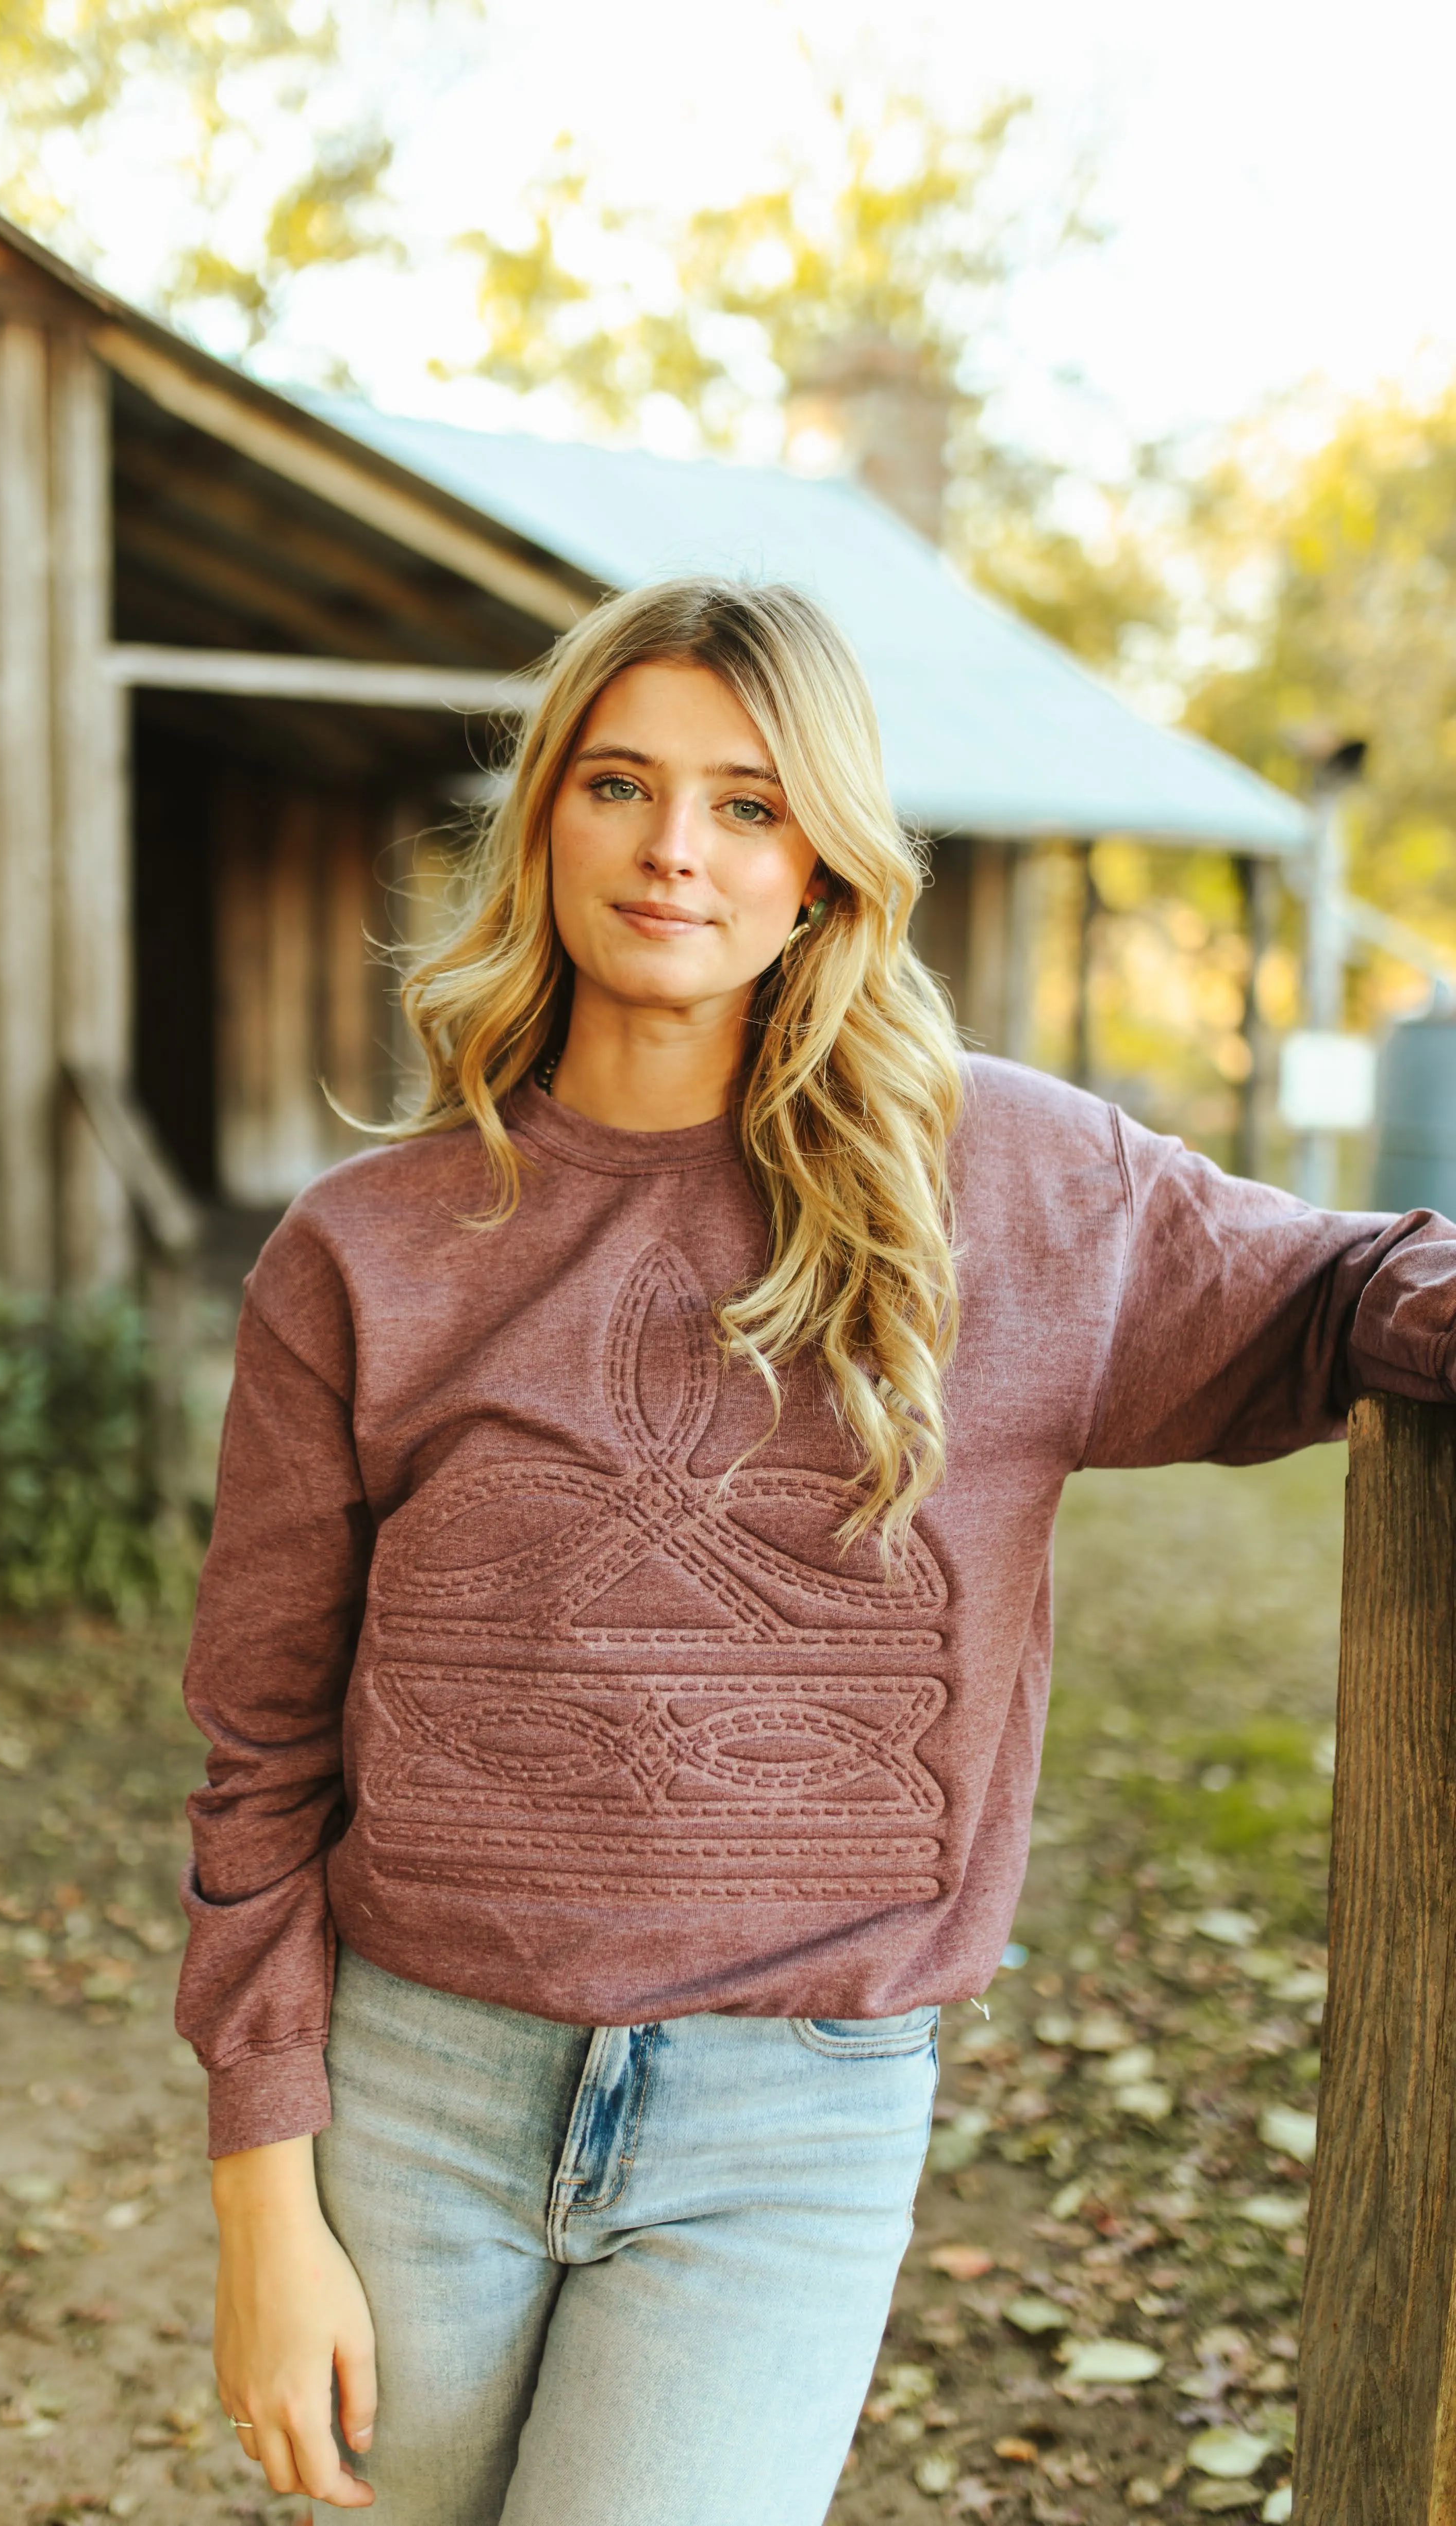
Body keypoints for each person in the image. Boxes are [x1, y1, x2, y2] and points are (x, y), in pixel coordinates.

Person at [174, 578, 1456, 2526]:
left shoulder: (1011, 1193)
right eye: (619, 783)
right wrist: (265, 2201)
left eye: (750, 802)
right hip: (413, 2083)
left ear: (826, 867)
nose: (675, 846)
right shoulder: (367, 1253)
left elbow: (1352, 1289)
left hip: (794, 2117)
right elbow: (260, 1752)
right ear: (543, 825)